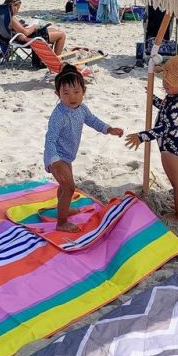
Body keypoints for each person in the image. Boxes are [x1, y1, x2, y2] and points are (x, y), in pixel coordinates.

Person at [44, 64, 124, 232]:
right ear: (57, 94)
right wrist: (54, 161)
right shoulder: (59, 115)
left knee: (64, 187)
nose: (72, 97)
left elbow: (93, 120)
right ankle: (61, 223)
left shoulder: (82, 109)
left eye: (76, 92)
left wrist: (108, 129)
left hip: (67, 156)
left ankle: (63, 209)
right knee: (69, 187)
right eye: (65, 93)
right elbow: (50, 139)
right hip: (56, 157)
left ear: (84, 91)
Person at [125, 55, 178, 222]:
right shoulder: (177, 99)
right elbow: (164, 108)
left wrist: (141, 137)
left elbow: (164, 129)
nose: (165, 82)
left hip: (171, 148)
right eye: (165, 78)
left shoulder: (177, 104)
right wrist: (153, 99)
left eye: (170, 81)